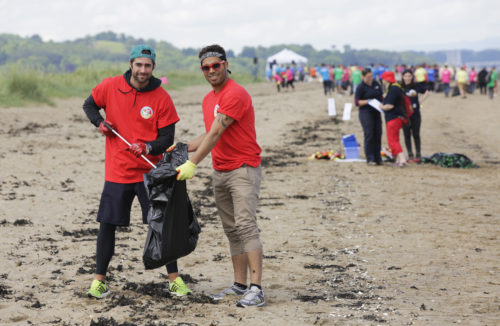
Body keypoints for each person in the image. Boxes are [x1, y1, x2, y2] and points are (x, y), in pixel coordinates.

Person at [82, 45, 192, 298]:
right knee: (106, 225)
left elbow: (168, 138)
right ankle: (99, 280)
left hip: (149, 174)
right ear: (131, 64)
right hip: (117, 173)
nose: (143, 70)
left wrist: (148, 146)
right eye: (139, 64)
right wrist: (100, 123)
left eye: (148, 65)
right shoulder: (110, 86)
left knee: (161, 227)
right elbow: (89, 106)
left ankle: (174, 279)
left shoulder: (162, 97)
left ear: (154, 68)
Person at [174, 44, 265, 307]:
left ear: (225, 64)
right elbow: (209, 132)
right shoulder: (208, 99)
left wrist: (191, 163)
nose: (211, 70)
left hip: (243, 169)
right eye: (206, 67)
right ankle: (239, 285)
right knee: (232, 230)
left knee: (246, 227)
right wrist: (182, 147)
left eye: (216, 65)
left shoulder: (235, 93)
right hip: (221, 171)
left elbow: (215, 134)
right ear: (202, 70)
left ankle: (256, 289)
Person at [354, 68, 384, 165]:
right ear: (363, 77)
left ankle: (378, 157)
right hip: (365, 112)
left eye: (371, 76)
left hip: (377, 111)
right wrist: (368, 101)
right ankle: (370, 158)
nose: (370, 78)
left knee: (378, 134)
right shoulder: (360, 87)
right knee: (369, 134)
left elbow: (381, 96)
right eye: (368, 77)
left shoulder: (376, 84)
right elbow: (357, 102)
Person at [379, 71, 407, 167]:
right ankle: (399, 160)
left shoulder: (393, 89)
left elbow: (390, 106)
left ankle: (402, 159)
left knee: (393, 140)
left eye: (382, 79)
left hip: (393, 118)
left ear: (386, 79)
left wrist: (381, 107)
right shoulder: (395, 87)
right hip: (396, 118)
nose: (382, 81)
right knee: (395, 139)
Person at [400, 69, 429, 159]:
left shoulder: (416, 86)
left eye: (409, 76)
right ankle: (410, 153)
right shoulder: (400, 87)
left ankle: (418, 153)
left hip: (415, 113)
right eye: (406, 76)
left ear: (412, 77)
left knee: (416, 134)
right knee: (406, 134)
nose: (408, 78)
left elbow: (427, 92)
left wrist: (421, 100)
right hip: (404, 114)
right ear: (403, 77)